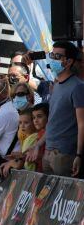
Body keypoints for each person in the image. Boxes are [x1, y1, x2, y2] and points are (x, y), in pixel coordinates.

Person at [39, 41, 84, 177]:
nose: (52, 59)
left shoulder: (78, 87)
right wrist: (37, 145)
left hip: (64, 155)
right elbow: (53, 120)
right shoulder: (56, 84)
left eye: (57, 57)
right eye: (52, 55)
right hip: (48, 151)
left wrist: (79, 155)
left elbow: (82, 124)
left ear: (69, 61)